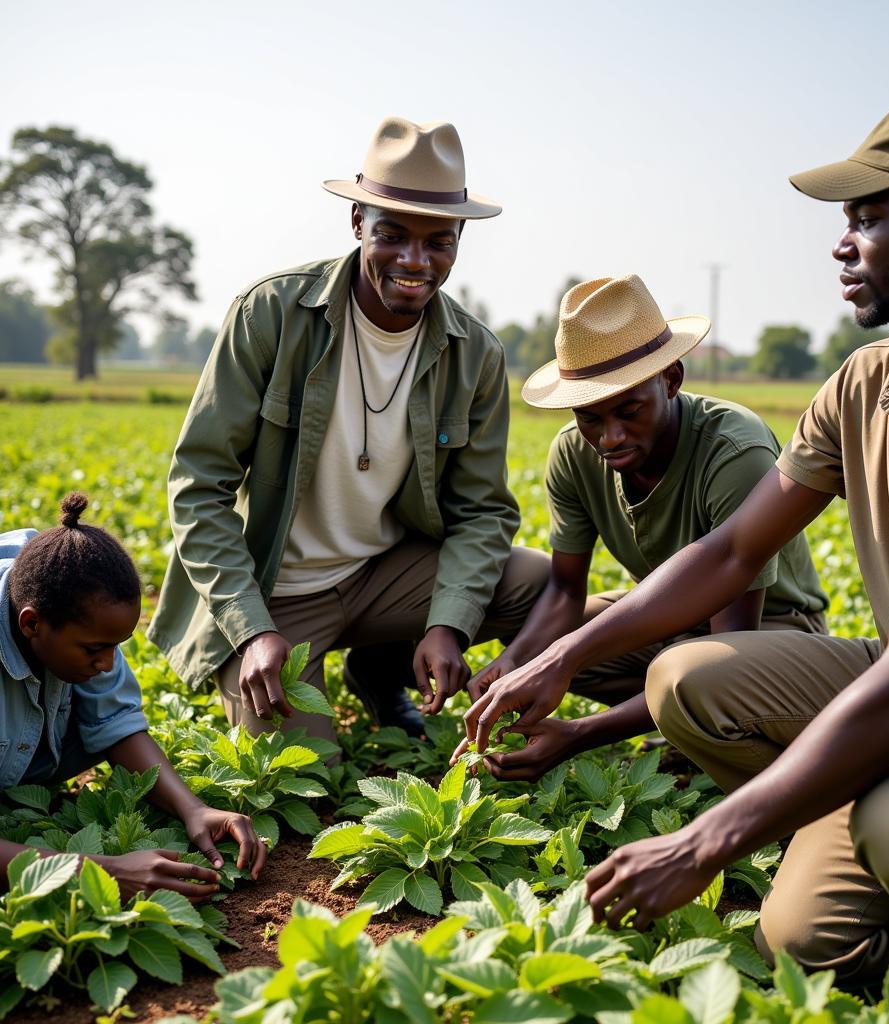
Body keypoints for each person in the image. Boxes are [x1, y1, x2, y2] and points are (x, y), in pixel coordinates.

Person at [461, 86, 889, 981]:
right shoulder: (865, 381)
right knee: (797, 945)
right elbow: (729, 553)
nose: (842, 244)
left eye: (870, 218)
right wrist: (558, 660)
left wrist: (703, 843)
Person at [148, 117, 548, 743]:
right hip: (273, 593)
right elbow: (198, 485)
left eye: (438, 241)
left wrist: (448, 625)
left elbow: (483, 513)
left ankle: (378, 668)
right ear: (358, 222)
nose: (415, 261)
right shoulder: (272, 315)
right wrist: (251, 629)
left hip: (384, 575)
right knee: (306, 774)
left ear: (460, 237)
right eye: (393, 235)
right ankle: (282, 659)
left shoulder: (476, 354)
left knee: (535, 583)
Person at [456, 274, 827, 781]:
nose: (609, 437)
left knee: (696, 677)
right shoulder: (572, 451)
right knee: (540, 646)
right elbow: (565, 591)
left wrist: (582, 733)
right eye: (589, 417)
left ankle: (718, 737)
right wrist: (518, 666)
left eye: (630, 411)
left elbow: (730, 643)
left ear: (670, 380)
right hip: (673, 623)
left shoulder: (734, 451)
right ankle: (678, 722)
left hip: (770, 631)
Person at [1, 493, 266, 898]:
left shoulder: (72, 602)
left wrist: (193, 808)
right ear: (31, 623)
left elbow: (116, 722)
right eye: (94, 650)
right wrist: (104, 870)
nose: (107, 664)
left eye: (116, 646)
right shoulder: (55, 599)